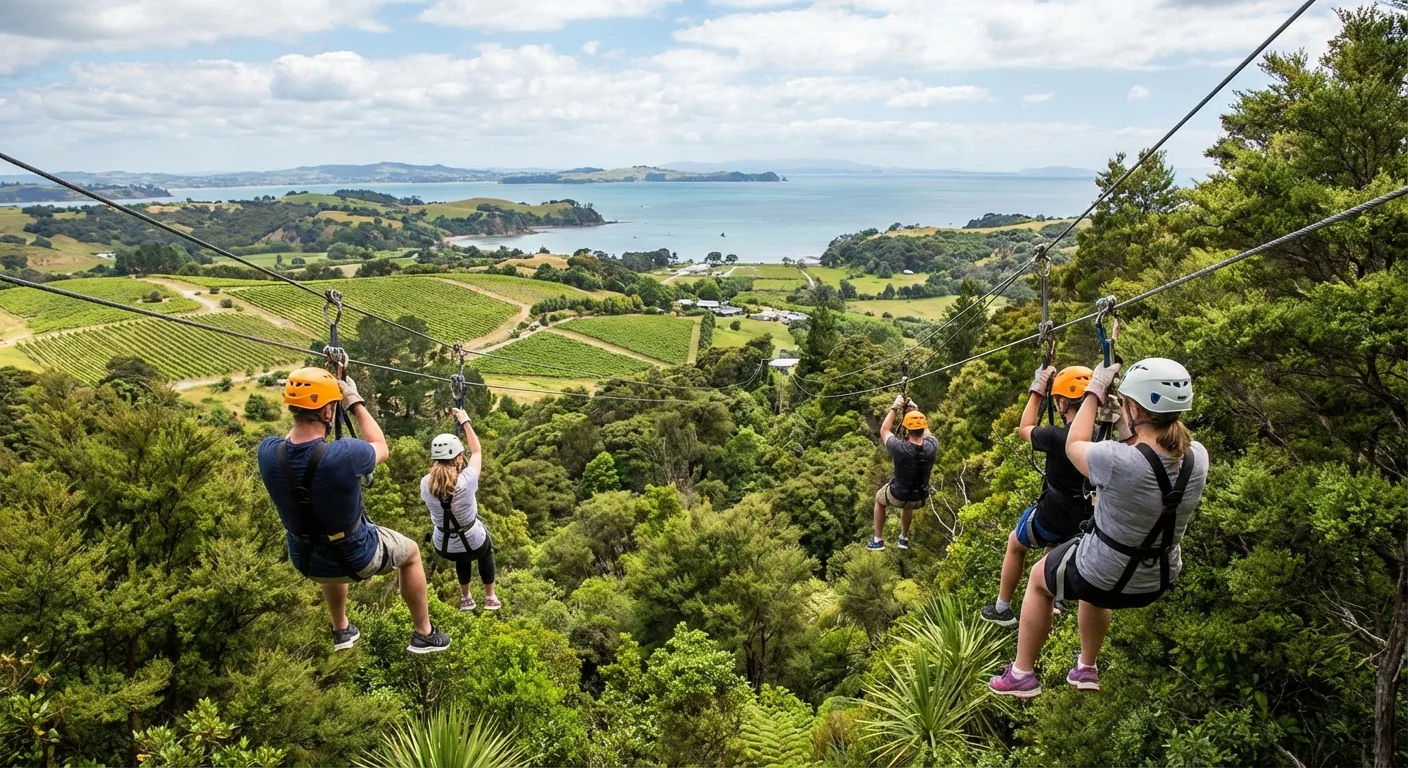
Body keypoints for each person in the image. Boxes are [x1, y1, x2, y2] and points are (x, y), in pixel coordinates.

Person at [990, 358, 1207, 698]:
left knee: (1038, 579)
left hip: (1105, 573)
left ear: (1133, 407)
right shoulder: (1197, 456)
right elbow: (1145, 449)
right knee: (1090, 570)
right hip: (1158, 577)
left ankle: (1022, 673)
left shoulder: (1113, 459)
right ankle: (1086, 666)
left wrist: (1095, 391)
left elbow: (1074, 443)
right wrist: (1121, 414)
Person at [257, 367, 451, 654]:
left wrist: (324, 398)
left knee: (324, 541)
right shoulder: (345, 453)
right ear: (327, 412)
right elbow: (381, 446)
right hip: (358, 556)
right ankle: (424, 632)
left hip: (306, 560)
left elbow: (292, 443)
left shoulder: (267, 452)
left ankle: (341, 629)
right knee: (410, 553)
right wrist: (353, 400)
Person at [980, 365, 1094, 627]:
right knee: (1057, 544)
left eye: (1058, 401)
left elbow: (1025, 428)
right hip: (1083, 521)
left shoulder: (1056, 437)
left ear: (1063, 402)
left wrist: (1037, 390)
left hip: (1051, 516)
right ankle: (1055, 599)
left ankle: (1002, 607)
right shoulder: (1102, 436)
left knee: (1015, 543)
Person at [421, 407, 500, 612]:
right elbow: (477, 451)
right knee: (486, 549)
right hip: (473, 540)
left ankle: (466, 598)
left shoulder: (425, 483)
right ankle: (490, 597)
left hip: (444, 545)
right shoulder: (466, 480)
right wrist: (465, 421)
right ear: (458, 458)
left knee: (461, 555)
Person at [868, 394, 938, 552]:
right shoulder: (933, 446)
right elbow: (926, 431)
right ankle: (904, 538)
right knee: (909, 505)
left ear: (906, 429)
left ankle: (877, 539)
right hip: (920, 497)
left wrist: (894, 408)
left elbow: (884, 430)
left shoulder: (899, 448)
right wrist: (915, 412)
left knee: (879, 500)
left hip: (898, 495)